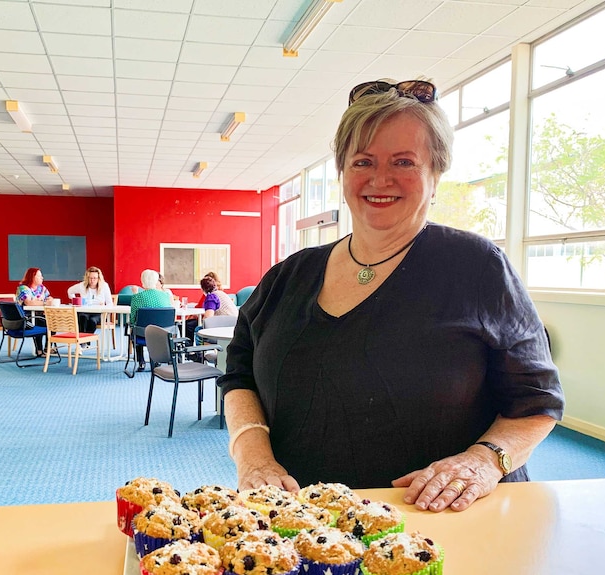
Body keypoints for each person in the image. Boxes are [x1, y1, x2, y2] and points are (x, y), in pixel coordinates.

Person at [218, 79, 565, 514]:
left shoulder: (476, 266)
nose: (380, 178)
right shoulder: (287, 277)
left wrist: (482, 462)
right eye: (363, 161)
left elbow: (538, 399)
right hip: (309, 520)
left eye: (404, 161)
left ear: (435, 174)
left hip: (440, 519)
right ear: (343, 172)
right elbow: (239, 374)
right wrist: (253, 458)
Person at [129, 269, 173, 371]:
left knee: (135, 329)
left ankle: (141, 362)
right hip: (163, 334)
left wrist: (132, 325)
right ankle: (156, 360)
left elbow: (133, 319)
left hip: (143, 333)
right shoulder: (166, 296)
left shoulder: (137, 297)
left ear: (142, 281)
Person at [186, 275, 238, 342]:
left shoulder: (211, 297)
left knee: (198, 329)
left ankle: (199, 351)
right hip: (233, 326)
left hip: (224, 326)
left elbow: (208, 318)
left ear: (202, 289)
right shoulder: (222, 294)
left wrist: (201, 321)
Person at [67, 266, 113, 336]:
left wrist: (105, 309)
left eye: (94, 278)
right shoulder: (82, 285)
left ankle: (85, 340)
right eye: (90, 278)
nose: (92, 280)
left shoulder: (104, 286)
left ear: (98, 278)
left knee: (92, 321)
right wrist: (75, 301)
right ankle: (82, 341)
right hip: (84, 311)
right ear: (87, 278)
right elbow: (70, 291)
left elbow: (110, 303)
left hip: (98, 313)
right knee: (82, 317)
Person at [15, 267, 51, 356]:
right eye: (39, 276)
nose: (42, 278)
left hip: (38, 315)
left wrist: (48, 301)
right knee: (41, 322)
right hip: (25, 319)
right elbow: (29, 303)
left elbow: (49, 298)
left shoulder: (42, 288)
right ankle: (39, 349)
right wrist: (44, 303)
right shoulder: (23, 288)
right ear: (33, 277)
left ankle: (48, 348)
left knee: (52, 322)